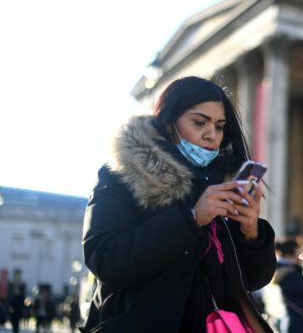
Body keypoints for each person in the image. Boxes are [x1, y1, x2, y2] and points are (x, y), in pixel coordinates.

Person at [80, 76, 277, 332]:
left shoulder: (220, 182)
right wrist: (192, 219)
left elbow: (254, 280)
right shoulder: (121, 174)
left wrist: (250, 232)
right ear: (170, 122)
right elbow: (105, 259)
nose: (212, 136)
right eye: (199, 122)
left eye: (219, 126)